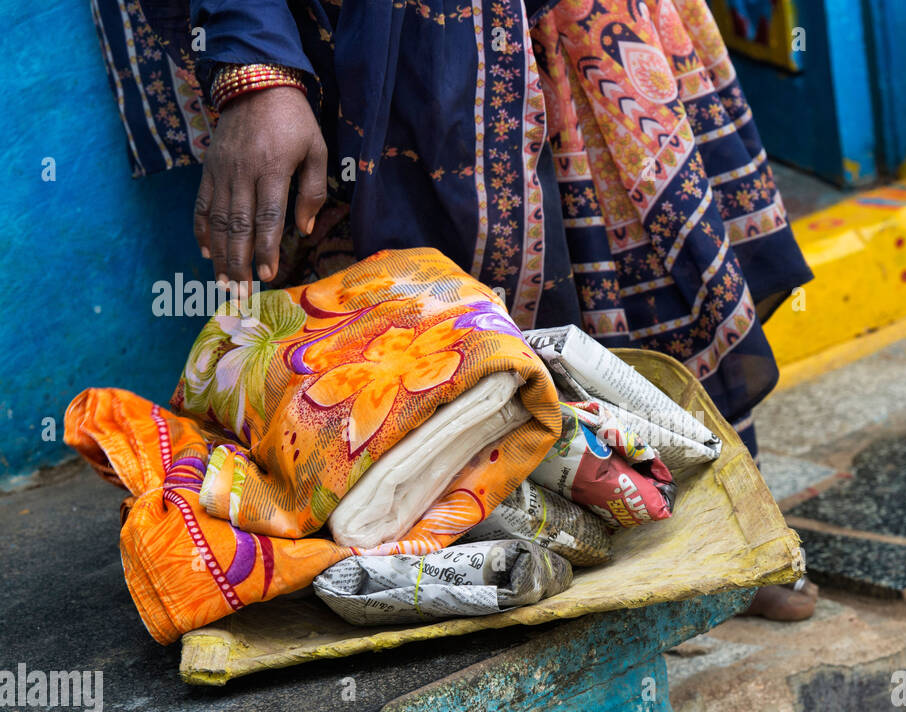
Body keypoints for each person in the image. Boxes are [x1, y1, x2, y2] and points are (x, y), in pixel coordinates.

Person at [113, 0, 818, 619]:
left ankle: (708, 530)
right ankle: (518, 568)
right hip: (361, 38)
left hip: (564, 25)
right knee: (395, 342)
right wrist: (255, 67)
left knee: (631, 236)